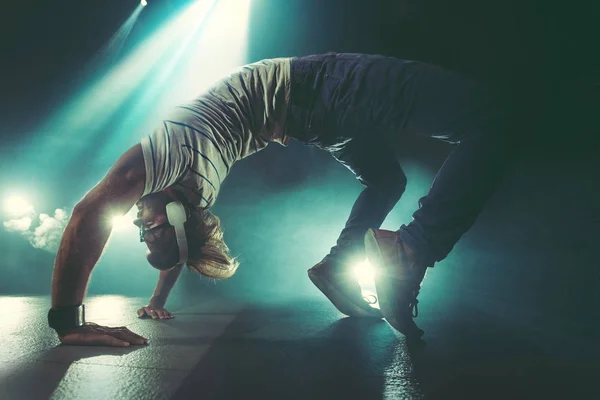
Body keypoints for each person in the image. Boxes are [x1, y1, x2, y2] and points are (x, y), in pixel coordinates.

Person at [48, 53, 512, 346]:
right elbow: (91, 213)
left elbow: (174, 248)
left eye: (142, 233)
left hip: (309, 119)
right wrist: (69, 323)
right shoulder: (175, 168)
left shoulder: (185, 191)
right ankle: (411, 249)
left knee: (386, 182)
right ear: (174, 215)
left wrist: (157, 297)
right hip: (317, 90)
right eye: (147, 232)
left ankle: (338, 262)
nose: (134, 224)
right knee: (489, 119)